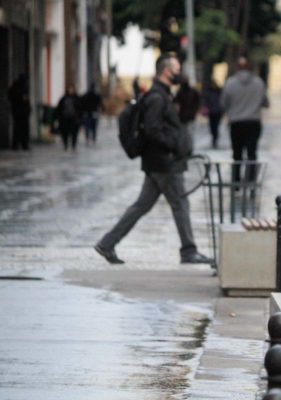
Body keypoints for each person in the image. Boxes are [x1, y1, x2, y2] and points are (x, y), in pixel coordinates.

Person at [95, 54, 210, 265]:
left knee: (141, 206)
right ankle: (189, 250)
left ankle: (107, 243)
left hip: (157, 163)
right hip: (165, 163)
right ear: (166, 71)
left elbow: (185, 110)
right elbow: (152, 130)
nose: (179, 72)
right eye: (176, 68)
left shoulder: (162, 95)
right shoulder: (157, 98)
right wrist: (174, 146)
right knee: (180, 204)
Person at [221, 57, 268, 184]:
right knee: (252, 153)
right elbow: (265, 102)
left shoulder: (230, 83)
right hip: (253, 121)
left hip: (236, 123)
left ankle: (236, 181)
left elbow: (224, 103)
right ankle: (251, 181)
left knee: (237, 154)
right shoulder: (259, 83)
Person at [54, 84, 82, 151]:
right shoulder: (63, 99)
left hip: (74, 119)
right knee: (65, 133)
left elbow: (80, 108)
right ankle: (65, 144)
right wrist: (58, 117)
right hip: (65, 119)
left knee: (74, 133)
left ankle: (73, 145)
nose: (70, 90)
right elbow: (59, 109)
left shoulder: (76, 98)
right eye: (69, 89)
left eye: (72, 89)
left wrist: (79, 118)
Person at [8, 73, 32, 151]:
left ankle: (21, 144)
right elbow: (14, 98)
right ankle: (19, 145)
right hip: (19, 111)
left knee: (20, 129)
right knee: (19, 129)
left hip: (21, 112)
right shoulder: (17, 87)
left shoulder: (20, 87)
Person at [203, 80, 223, 149]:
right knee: (212, 126)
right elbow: (206, 102)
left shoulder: (219, 92)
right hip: (211, 112)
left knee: (216, 126)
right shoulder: (209, 93)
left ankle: (215, 138)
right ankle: (214, 137)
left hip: (217, 112)